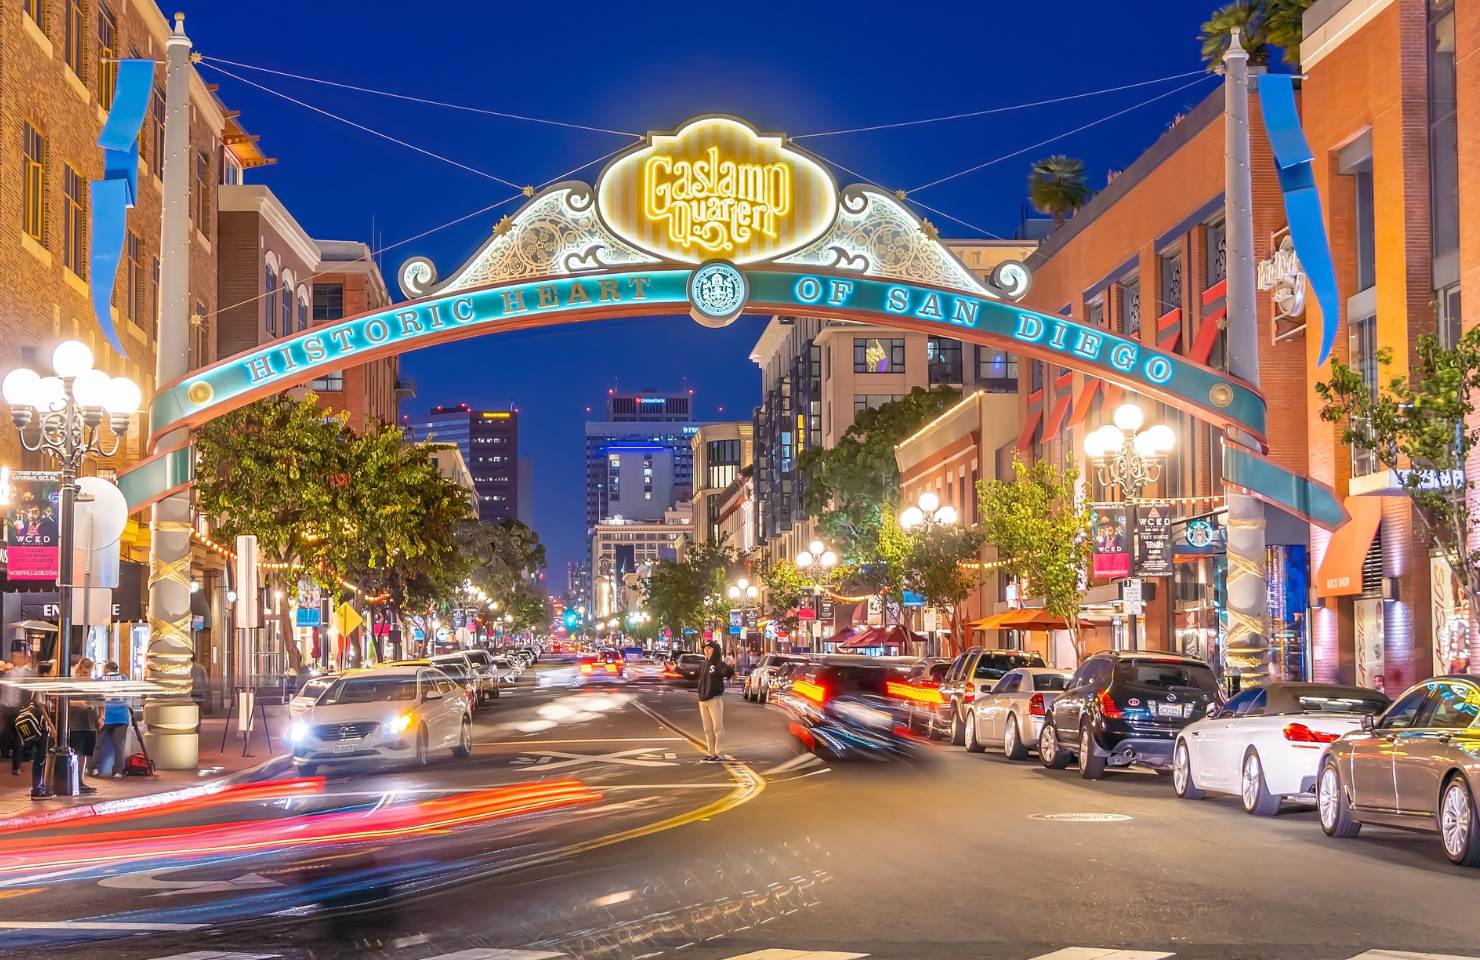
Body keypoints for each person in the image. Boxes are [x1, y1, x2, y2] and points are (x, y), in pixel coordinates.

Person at [695, 640, 734, 762]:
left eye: (709, 648)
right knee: (707, 729)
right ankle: (711, 753)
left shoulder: (719, 664)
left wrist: (728, 669)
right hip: (702, 700)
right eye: (705, 648)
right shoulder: (702, 664)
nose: (706, 650)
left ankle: (719, 753)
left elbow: (726, 673)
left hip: (714, 699)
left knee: (717, 728)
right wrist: (677, 669)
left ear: (715, 650)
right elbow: (692, 675)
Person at [92, 661, 130, 778]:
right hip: (121, 715)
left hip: (105, 715)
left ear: (106, 669)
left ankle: (94, 768)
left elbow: (97, 697)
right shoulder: (124, 678)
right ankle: (118, 771)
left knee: (97, 744)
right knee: (119, 746)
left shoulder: (99, 680)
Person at [1, 649, 36, 763]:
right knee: (3, 735)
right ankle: (4, 753)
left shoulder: (28, 674)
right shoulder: (6, 672)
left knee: (18, 737)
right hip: (5, 708)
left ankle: (16, 765)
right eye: (15, 657)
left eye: (20, 657)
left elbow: (30, 692)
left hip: (19, 708)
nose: (17, 659)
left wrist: (26, 707)